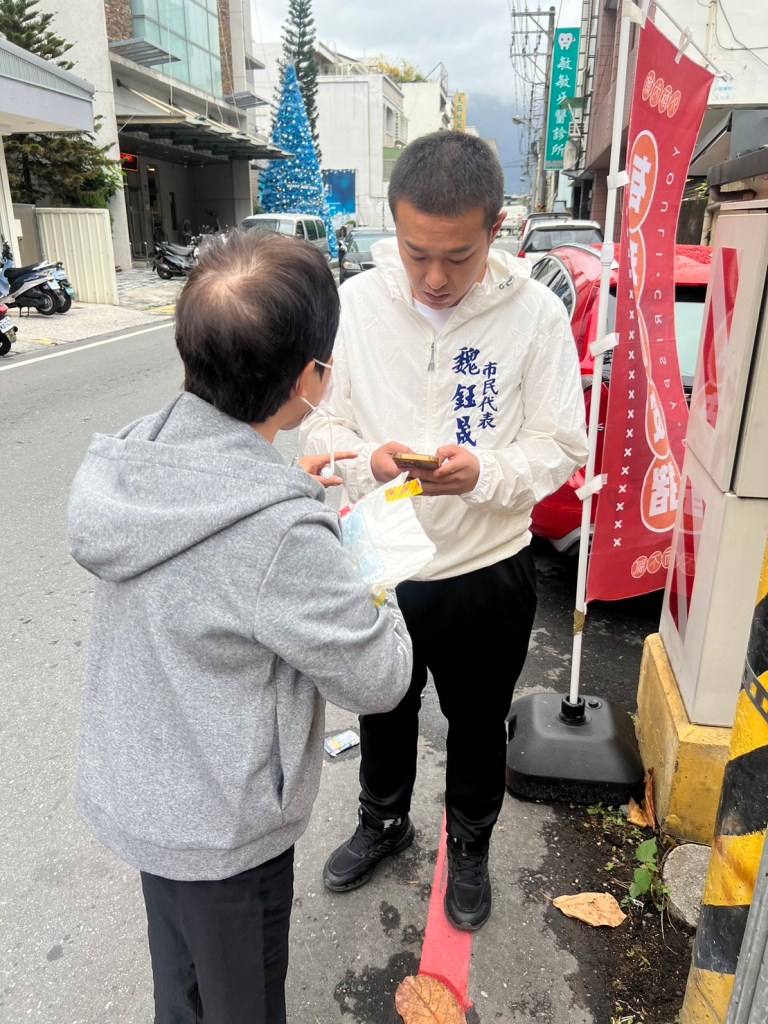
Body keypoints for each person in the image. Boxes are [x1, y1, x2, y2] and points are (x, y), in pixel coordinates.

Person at [67, 229, 413, 1024]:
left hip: (149, 799)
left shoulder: (139, 457)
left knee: (181, 992)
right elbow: (380, 679)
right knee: (241, 1005)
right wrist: (370, 566)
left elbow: (220, 542)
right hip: (225, 829)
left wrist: (283, 485)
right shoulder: (280, 535)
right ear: (310, 378)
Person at [301, 131, 589, 932]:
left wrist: (485, 473)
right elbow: (317, 429)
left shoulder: (535, 317)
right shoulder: (356, 306)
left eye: (457, 256)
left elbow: (562, 446)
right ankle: (383, 820)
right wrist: (368, 461)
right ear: (392, 226)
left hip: (486, 566)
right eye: (415, 252)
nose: (433, 277)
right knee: (382, 707)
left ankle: (468, 842)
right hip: (382, 562)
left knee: (478, 719)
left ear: (496, 230)